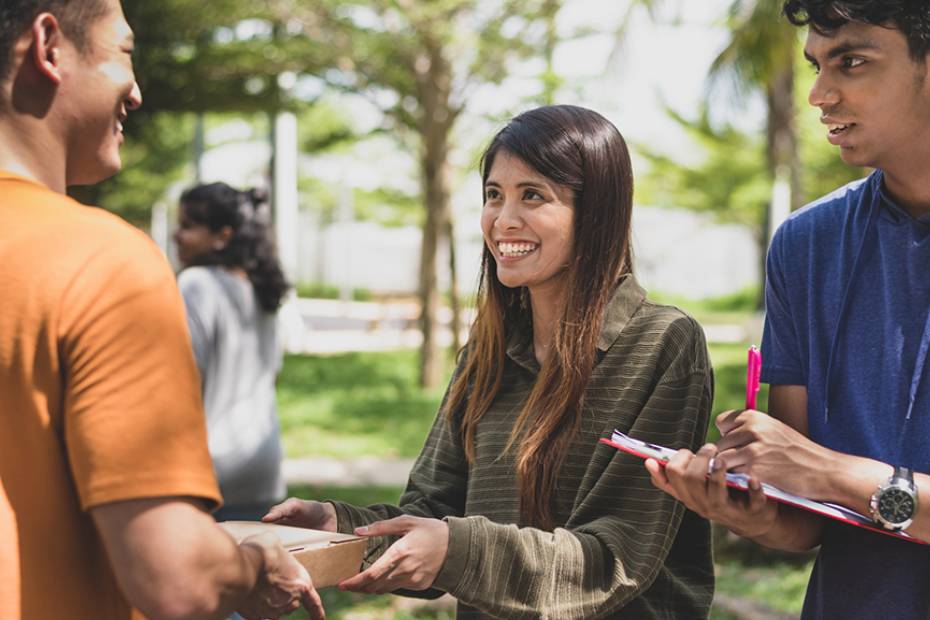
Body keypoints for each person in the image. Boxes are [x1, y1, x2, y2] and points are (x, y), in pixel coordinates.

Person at [264, 105, 716, 618]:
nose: (503, 220)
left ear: (597, 213)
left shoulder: (663, 344)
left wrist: (455, 550)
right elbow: (433, 516)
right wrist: (339, 528)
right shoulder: (486, 353)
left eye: (533, 196)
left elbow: (614, 560)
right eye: (493, 195)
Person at [0, 1, 323, 618]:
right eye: (124, 52)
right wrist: (254, 563)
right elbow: (175, 574)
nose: (138, 92)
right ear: (48, 46)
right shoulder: (102, 260)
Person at [647, 2, 930, 618]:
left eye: (851, 62)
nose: (819, 95)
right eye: (816, 66)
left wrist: (832, 474)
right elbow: (805, 527)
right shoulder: (806, 246)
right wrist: (744, 505)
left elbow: (823, 474)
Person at [173, 182, 289, 522]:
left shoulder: (196, 283)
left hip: (210, 469)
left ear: (223, 235)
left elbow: (185, 380)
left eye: (188, 226)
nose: (177, 235)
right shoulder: (261, 288)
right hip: (263, 466)